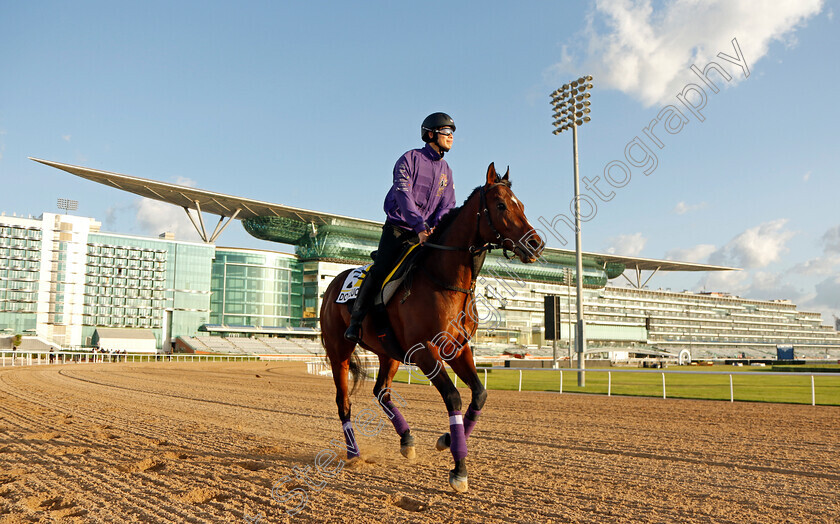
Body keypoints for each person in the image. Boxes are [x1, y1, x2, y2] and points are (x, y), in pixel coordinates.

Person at [344, 112, 458, 343]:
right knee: (381, 269)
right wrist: (419, 227)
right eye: (446, 131)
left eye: (452, 133)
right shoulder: (409, 158)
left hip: (426, 233)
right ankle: (355, 322)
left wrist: (436, 227)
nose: (451, 136)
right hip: (399, 228)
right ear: (430, 134)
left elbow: (448, 204)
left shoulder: (447, 170)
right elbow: (403, 196)